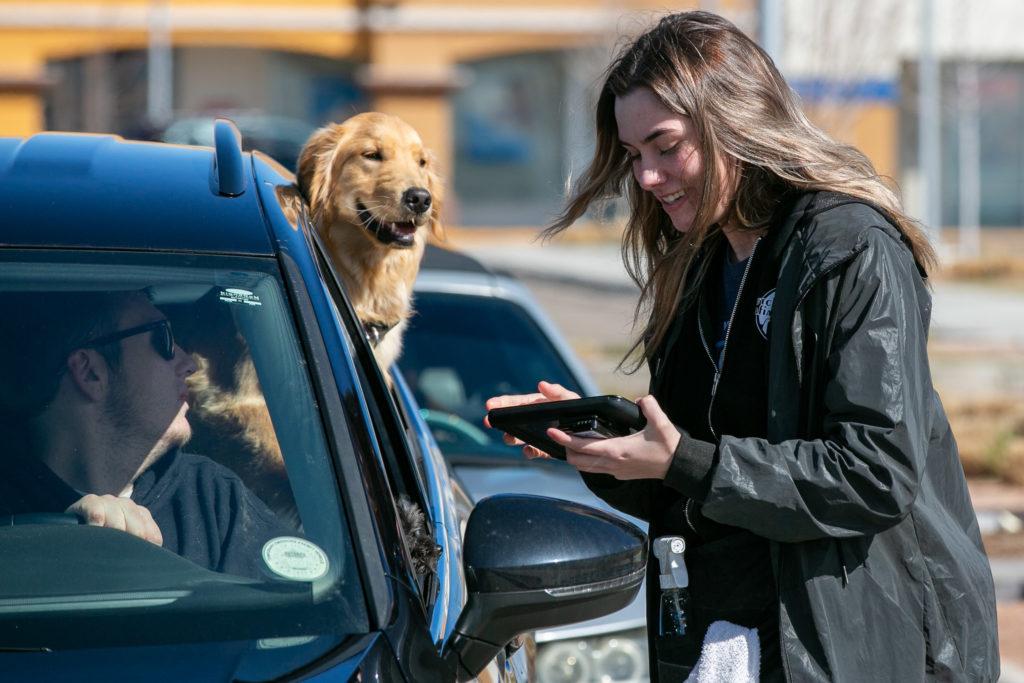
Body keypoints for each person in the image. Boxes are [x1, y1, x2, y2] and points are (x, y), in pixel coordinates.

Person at [485, 11, 999, 681]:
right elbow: (696, 481)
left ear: (734, 121)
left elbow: (876, 473)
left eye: (665, 146)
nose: (645, 176)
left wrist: (689, 462)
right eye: (634, 154)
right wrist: (596, 447)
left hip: (859, 650)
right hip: (727, 644)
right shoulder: (701, 264)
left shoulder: (850, 248)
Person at [0, 289, 291, 578]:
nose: (189, 363)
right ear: (89, 373)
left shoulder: (212, 497)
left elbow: (309, 609)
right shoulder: (9, 513)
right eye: (163, 338)